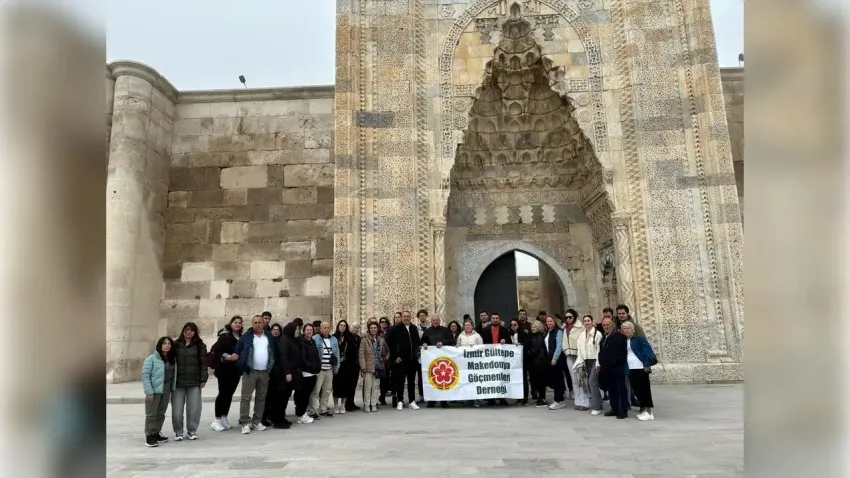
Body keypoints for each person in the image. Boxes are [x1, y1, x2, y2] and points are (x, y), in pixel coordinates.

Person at [234, 315, 276, 434]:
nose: (257, 324)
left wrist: (270, 367)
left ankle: (257, 421)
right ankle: (245, 422)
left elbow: (273, 351)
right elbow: (237, 351)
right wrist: (242, 365)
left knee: (261, 397)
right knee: (246, 397)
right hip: (250, 371)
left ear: (264, 324)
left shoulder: (268, 337)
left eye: (260, 322)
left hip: (264, 372)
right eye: (255, 322)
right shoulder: (246, 337)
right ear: (252, 324)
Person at [171, 322, 208, 441]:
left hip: (194, 381)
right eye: (187, 329)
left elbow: (204, 363)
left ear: (195, 332)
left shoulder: (200, 345)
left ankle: (192, 431)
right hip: (178, 382)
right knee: (177, 410)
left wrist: (203, 379)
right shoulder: (175, 345)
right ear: (183, 331)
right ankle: (178, 432)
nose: (189, 332)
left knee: (194, 409)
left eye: (192, 330)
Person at [142, 337, 176, 447]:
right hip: (154, 390)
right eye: (164, 343)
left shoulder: (172, 359)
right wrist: (149, 392)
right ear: (160, 345)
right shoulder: (151, 359)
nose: (167, 345)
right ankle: (149, 435)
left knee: (161, 413)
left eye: (169, 343)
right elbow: (145, 376)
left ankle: (156, 433)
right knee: (151, 414)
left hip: (166, 390)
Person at [210, 316, 243, 432]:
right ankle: (216, 420)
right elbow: (219, 351)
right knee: (223, 394)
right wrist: (229, 357)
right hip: (224, 370)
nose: (237, 325)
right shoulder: (224, 336)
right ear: (231, 323)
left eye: (239, 323)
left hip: (235, 371)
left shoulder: (240, 337)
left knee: (229, 394)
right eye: (235, 322)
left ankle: (224, 417)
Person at [385, 310, 421, 411]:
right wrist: (395, 357)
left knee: (411, 381)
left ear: (410, 317)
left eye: (408, 316)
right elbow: (390, 344)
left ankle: (411, 401)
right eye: (404, 317)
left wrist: (417, 352)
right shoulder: (396, 329)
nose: (406, 318)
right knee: (400, 381)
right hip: (400, 360)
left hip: (412, 359)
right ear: (401, 318)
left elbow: (417, 342)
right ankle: (400, 401)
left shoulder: (414, 328)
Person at [621, 321, 656, 420]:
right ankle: (644, 410)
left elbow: (648, 351)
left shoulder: (639, 338)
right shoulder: (624, 340)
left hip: (640, 367)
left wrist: (647, 363)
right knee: (637, 391)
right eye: (624, 328)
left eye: (628, 328)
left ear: (632, 329)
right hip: (630, 368)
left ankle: (648, 412)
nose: (626, 330)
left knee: (644, 390)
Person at [271, 322, 302, 429]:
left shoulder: (291, 340)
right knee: (281, 397)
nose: (298, 331)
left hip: (291, 373)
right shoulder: (284, 340)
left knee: (285, 397)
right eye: (296, 329)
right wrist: (287, 372)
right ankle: (277, 420)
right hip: (283, 375)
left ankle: (281, 417)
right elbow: (283, 357)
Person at [420, 315, 455, 408]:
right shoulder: (427, 331)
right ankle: (432, 401)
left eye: (437, 320)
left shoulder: (445, 330)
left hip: (444, 359)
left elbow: (452, 340)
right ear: (431, 321)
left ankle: (444, 401)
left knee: (444, 380)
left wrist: (442, 343)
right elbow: (422, 342)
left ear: (440, 321)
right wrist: (424, 344)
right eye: (434, 320)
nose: (435, 321)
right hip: (431, 360)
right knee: (432, 379)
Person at [598, 316, 628, 419]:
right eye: (604, 325)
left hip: (617, 368)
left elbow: (622, 352)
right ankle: (614, 408)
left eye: (608, 324)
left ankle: (623, 410)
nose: (606, 327)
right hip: (607, 368)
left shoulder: (619, 336)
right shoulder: (603, 337)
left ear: (612, 325)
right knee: (611, 390)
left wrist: (614, 361)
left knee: (620, 389)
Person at [574, 314, 603, 415]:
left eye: (588, 321)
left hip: (595, 359)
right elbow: (580, 349)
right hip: (586, 360)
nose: (587, 323)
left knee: (592, 382)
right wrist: (580, 361)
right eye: (585, 321)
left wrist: (598, 364)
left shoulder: (598, 334)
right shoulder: (582, 335)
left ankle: (596, 407)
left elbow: (599, 349)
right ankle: (598, 404)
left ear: (592, 321)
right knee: (590, 383)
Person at [310, 321, 340, 418]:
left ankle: (323, 409)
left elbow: (337, 354)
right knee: (316, 391)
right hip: (319, 370)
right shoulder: (315, 339)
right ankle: (313, 411)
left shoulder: (334, 339)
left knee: (327, 391)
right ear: (321, 328)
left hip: (329, 369)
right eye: (324, 327)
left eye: (328, 327)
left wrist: (337, 366)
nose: (326, 329)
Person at [359, 320, 389, 412]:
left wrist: (384, 359)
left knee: (376, 386)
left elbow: (388, 351)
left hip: (378, 366)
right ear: (369, 329)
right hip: (368, 367)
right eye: (371, 328)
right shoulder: (364, 339)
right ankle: (367, 404)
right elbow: (361, 354)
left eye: (375, 328)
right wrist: (363, 366)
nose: (373, 329)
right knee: (368, 387)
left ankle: (374, 403)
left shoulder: (381, 339)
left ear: (377, 329)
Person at [294, 323, 321, 424]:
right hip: (306, 373)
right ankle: (301, 415)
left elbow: (315, 356)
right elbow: (303, 358)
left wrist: (317, 366)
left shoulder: (312, 341)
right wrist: (312, 367)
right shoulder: (302, 343)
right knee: (303, 395)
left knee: (306, 395)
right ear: (304, 331)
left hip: (313, 373)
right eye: (307, 330)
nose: (309, 331)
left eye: (311, 330)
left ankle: (302, 413)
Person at [332, 319, 358, 414]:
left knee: (346, 385)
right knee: (336, 385)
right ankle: (335, 405)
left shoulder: (350, 337)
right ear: (338, 326)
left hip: (347, 366)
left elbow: (353, 352)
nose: (342, 327)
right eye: (340, 325)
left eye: (344, 325)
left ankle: (343, 405)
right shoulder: (333, 337)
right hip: (337, 365)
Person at [455, 320, 483, 407]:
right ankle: (467, 399)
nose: (467, 327)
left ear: (472, 326)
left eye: (469, 325)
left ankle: (476, 400)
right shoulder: (460, 336)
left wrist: (474, 348)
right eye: (466, 325)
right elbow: (457, 347)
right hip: (464, 363)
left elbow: (482, 347)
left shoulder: (477, 336)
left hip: (474, 363)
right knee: (465, 380)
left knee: (474, 380)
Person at [262, 323, 283, 427]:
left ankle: (271, 416)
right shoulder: (267, 341)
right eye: (273, 330)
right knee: (266, 397)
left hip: (277, 373)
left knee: (274, 396)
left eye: (277, 330)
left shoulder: (281, 342)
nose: (275, 331)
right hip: (268, 372)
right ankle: (263, 417)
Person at [543, 315, 565, 410]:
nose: (549, 323)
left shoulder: (558, 332)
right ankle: (560, 398)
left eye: (551, 321)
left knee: (557, 380)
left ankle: (557, 401)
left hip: (556, 359)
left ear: (555, 322)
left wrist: (555, 358)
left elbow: (559, 346)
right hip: (549, 358)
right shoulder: (548, 332)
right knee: (555, 379)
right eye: (547, 321)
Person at [562, 309, 584, 407]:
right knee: (574, 379)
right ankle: (577, 401)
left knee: (581, 379)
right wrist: (566, 351)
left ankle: (584, 402)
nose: (568, 319)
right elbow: (564, 341)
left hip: (578, 354)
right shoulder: (564, 328)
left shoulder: (581, 327)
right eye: (566, 317)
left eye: (570, 317)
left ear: (574, 317)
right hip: (569, 354)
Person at [527, 320, 549, 407]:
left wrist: (529, 352)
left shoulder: (539, 336)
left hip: (539, 362)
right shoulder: (533, 336)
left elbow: (536, 348)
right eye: (532, 327)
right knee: (536, 381)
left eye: (535, 327)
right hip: (535, 361)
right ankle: (540, 398)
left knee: (540, 381)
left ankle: (542, 398)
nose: (533, 328)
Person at [509, 319, 529, 405]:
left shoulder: (523, 334)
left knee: (524, 378)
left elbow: (527, 344)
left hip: (523, 358)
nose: (513, 326)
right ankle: (518, 396)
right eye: (512, 324)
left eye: (515, 324)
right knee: (516, 378)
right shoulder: (509, 334)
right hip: (514, 360)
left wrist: (520, 344)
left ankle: (525, 397)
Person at [378, 316, 392, 405]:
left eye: (385, 322)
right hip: (379, 358)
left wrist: (388, 355)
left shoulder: (390, 333)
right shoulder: (377, 333)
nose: (383, 323)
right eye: (382, 322)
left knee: (386, 378)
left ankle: (382, 396)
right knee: (379, 378)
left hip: (388, 358)